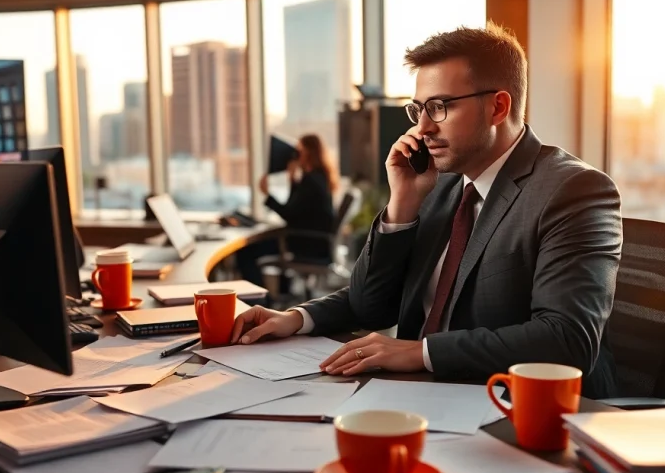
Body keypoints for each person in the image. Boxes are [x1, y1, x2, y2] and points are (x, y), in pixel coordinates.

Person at [230, 22, 623, 399]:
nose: (422, 129)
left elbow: (568, 339)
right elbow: (369, 305)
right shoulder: (442, 183)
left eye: (438, 107)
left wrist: (420, 352)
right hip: (420, 395)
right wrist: (296, 318)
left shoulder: (573, 190)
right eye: (417, 109)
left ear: (498, 107)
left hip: (516, 409)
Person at [235, 134, 337, 289]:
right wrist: (293, 180)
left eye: (299, 151)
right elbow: (296, 210)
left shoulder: (311, 181)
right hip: (313, 243)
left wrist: (268, 195)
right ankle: (280, 294)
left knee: (245, 253)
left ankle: (260, 301)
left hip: (304, 244)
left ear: (308, 153)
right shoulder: (319, 177)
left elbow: (289, 214)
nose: (295, 156)